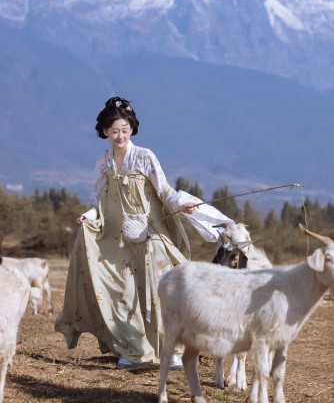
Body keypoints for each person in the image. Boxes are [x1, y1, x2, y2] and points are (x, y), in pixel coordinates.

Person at [55, 96, 233, 371]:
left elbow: (164, 191)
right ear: (105, 131)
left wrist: (181, 205)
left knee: (161, 286)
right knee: (121, 292)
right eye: (114, 131)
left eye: (125, 130)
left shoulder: (145, 156)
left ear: (132, 129)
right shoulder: (103, 162)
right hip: (115, 238)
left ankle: (172, 350)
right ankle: (133, 350)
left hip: (149, 232)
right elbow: (99, 201)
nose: (120, 136)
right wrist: (89, 216)